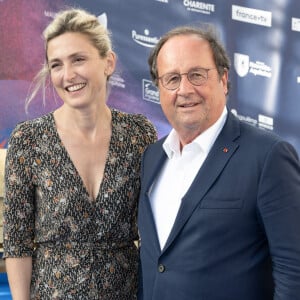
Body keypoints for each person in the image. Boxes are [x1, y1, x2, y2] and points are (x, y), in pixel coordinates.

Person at [3, 8, 157, 300]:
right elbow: (17, 243)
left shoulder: (139, 134)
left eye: (79, 59)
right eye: (56, 65)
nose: (67, 75)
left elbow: (155, 230)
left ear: (108, 62)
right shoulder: (29, 139)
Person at [137, 25, 300, 300]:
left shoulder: (268, 157)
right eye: (172, 79)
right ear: (160, 89)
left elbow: (294, 272)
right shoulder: (153, 157)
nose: (184, 89)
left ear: (224, 80)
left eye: (197, 75)